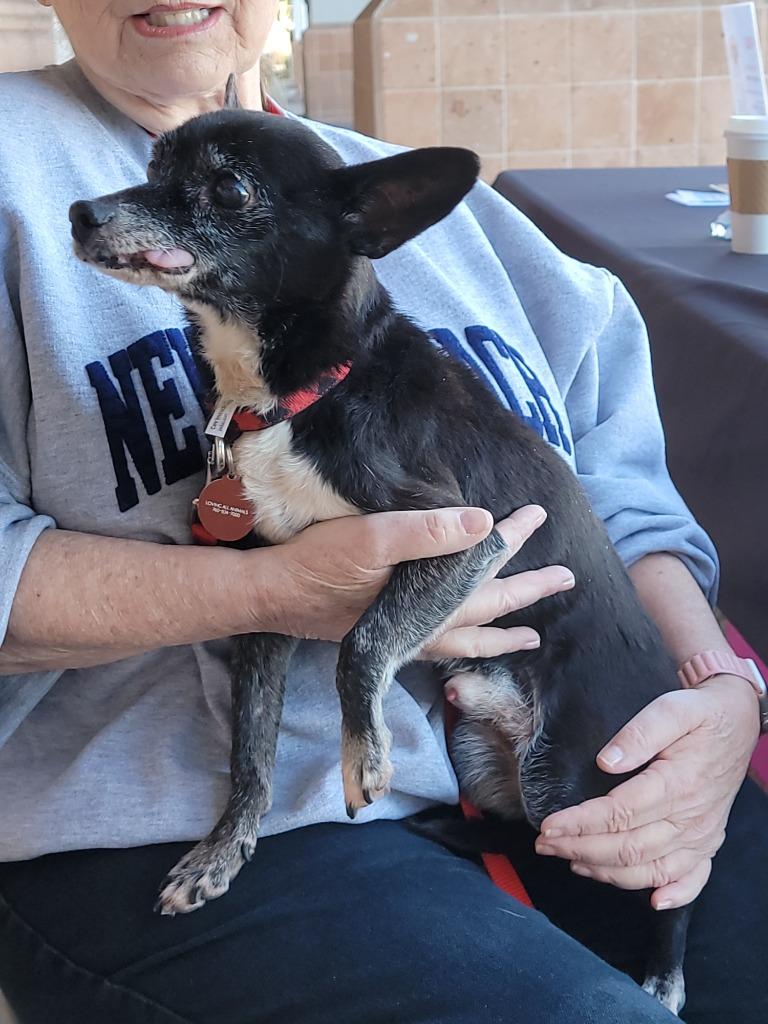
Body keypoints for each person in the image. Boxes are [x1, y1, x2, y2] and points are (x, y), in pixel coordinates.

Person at [0, 1, 764, 1022]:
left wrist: (711, 697)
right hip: (183, 830)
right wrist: (271, 590)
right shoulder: (19, 174)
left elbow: (614, 476)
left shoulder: (418, 200)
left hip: (563, 747)